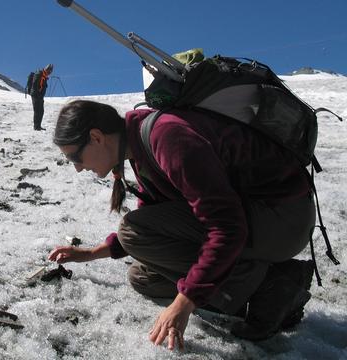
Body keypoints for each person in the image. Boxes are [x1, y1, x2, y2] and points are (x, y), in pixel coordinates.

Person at [48, 100, 316, 350]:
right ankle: (251, 285)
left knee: (133, 233)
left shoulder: (168, 137)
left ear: (96, 137)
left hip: (283, 218)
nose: (78, 169)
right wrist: (93, 253)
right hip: (258, 218)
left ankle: (273, 285)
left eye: (75, 158)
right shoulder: (139, 146)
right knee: (143, 278)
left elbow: (227, 227)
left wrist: (185, 301)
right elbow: (158, 216)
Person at [27, 64, 53, 131]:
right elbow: (35, 85)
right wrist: (38, 95)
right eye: (49, 71)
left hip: (39, 96)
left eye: (50, 71)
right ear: (46, 69)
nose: (49, 73)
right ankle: (36, 127)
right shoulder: (39, 74)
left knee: (41, 111)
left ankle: (38, 126)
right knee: (37, 111)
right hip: (36, 95)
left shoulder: (44, 76)